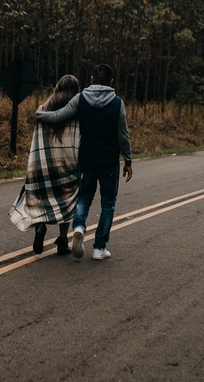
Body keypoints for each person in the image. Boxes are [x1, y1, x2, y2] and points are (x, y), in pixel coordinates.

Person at [35, 64, 132, 260]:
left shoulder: (80, 99)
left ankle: (78, 227)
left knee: (84, 198)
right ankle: (99, 248)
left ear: (91, 79)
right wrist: (128, 160)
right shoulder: (117, 103)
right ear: (111, 82)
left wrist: (39, 114)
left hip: (86, 160)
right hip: (109, 163)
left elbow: (58, 116)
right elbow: (123, 136)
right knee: (107, 204)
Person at [9, 75, 81, 255]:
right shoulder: (77, 111)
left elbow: (38, 140)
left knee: (43, 198)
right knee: (66, 201)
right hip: (67, 166)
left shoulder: (43, 109)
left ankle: (40, 227)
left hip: (43, 165)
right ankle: (63, 240)